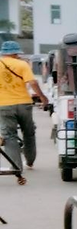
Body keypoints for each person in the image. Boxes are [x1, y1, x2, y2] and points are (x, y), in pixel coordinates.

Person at [0, 41, 50, 184]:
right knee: (29, 132)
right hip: (23, 104)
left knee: (9, 136)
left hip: (4, 105)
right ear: (16, 52)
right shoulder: (22, 64)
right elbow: (33, 82)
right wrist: (42, 96)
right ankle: (30, 160)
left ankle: (16, 167)